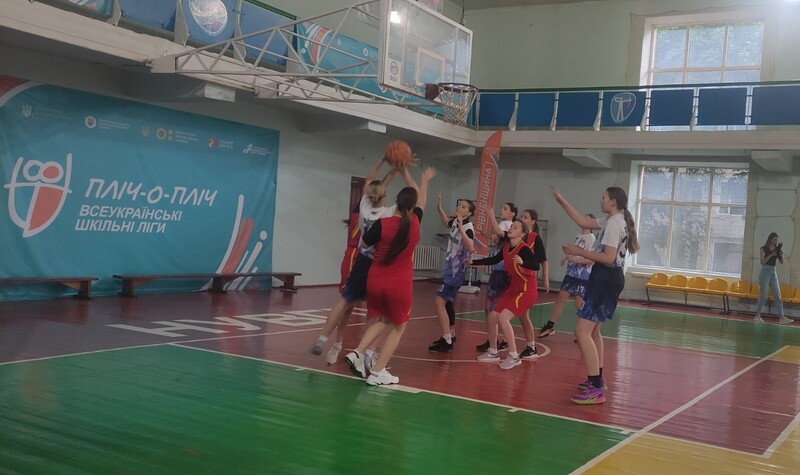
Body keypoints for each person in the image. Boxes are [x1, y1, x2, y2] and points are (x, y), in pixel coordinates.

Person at [310, 157, 413, 362]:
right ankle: (366, 353)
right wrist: (401, 169)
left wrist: (383, 161)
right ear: (385, 195)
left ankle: (321, 339)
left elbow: (371, 179)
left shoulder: (364, 207)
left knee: (344, 301)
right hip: (377, 265)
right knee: (375, 312)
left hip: (361, 261)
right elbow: (408, 199)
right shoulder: (388, 213)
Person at [551, 186, 639, 405]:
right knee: (594, 331)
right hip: (609, 278)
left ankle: (596, 389)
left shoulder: (614, 224)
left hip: (605, 278)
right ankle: (598, 379)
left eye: (604, 198)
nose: (601, 201)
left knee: (582, 332)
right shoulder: (616, 220)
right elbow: (583, 221)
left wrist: (579, 251)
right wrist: (562, 201)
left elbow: (608, 258)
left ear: (613, 202)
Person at [344, 185, 426, 385]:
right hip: (398, 284)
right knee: (398, 328)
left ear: (396, 202)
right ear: (413, 206)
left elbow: (364, 244)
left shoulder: (382, 224)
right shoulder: (415, 222)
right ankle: (378, 372)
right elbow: (422, 202)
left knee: (382, 319)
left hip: (375, 280)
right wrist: (424, 181)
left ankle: (357, 352)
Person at [469, 219, 541, 369]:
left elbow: (536, 265)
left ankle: (514, 356)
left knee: (503, 318)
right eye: (511, 226)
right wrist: (473, 262)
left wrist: (522, 262)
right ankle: (493, 352)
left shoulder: (524, 249)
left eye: (515, 227)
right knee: (492, 316)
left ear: (522, 233)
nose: (511, 228)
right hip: (512, 289)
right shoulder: (506, 247)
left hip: (526, 290)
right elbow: (494, 259)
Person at [428, 197, 475, 353]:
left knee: (439, 301)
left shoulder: (467, 227)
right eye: (459, 205)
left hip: (456, 271)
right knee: (447, 302)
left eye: (464, 206)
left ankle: (447, 339)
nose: (459, 207)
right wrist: (439, 208)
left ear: (469, 213)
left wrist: (461, 230)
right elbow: (445, 222)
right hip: (450, 268)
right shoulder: (455, 222)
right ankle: (451, 335)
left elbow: (471, 247)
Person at [538, 215, 596, 338]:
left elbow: (592, 259)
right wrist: (566, 257)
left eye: (587, 219)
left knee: (579, 303)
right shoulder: (579, 236)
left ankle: (583, 331)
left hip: (582, 276)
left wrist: (577, 260)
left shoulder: (591, 239)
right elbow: (575, 252)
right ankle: (549, 326)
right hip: (571, 273)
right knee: (561, 299)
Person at [474, 203, 517, 353]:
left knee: (491, 308)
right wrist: (485, 234)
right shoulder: (507, 226)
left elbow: (499, 233)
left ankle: (493, 341)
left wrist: (490, 215)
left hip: (500, 272)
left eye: (505, 209)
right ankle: (500, 340)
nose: (501, 210)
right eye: (502, 208)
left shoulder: (507, 225)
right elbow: (495, 237)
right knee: (500, 308)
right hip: (505, 271)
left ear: (513, 213)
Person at [754, 232, 792, 325]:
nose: (776, 241)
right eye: (774, 239)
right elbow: (762, 262)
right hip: (765, 272)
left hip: (773, 272)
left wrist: (780, 254)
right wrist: (771, 254)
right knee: (763, 295)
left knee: (777, 295)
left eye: (776, 240)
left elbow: (782, 262)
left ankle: (782, 318)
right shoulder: (763, 248)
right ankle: (757, 316)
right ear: (770, 239)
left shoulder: (777, 249)